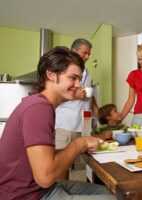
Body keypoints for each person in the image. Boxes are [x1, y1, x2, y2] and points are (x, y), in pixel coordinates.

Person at [0, 46, 116, 200]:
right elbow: (45, 176)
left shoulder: (41, 105)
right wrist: (80, 143)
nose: (78, 85)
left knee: (108, 193)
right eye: (73, 78)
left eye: (79, 79)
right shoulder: (39, 108)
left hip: (41, 188)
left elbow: (43, 160)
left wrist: (81, 145)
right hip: (27, 195)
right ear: (51, 75)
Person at [55, 38, 92, 179]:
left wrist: (97, 108)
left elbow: (88, 94)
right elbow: (56, 94)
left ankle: (70, 190)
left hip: (81, 125)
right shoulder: (62, 68)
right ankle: (61, 192)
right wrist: (76, 96)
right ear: (73, 50)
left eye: (89, 54)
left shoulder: (87, 72)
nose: (87, 57)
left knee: (75, 164)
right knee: (62, 164)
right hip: (65, 125)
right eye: (85, 53)